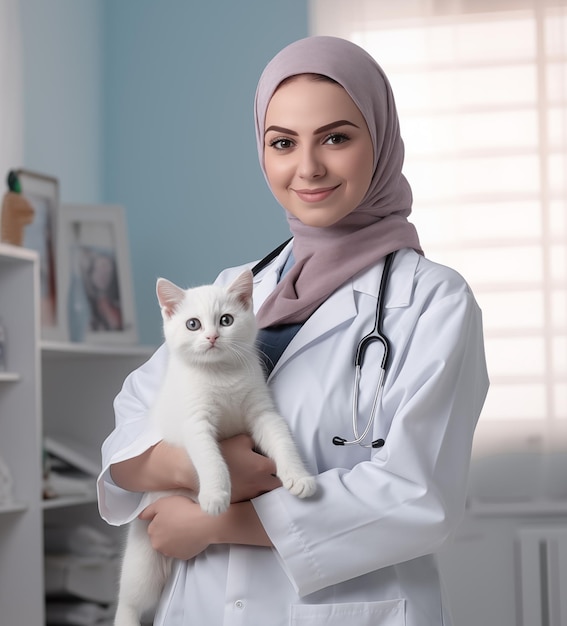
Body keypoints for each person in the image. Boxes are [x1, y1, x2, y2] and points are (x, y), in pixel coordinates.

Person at [97, 36, 489, 626]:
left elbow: (417, 495)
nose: (307, 167)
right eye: (283, 143)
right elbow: (130, 428)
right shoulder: (234, 287)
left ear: (379, 142)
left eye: (336, 137)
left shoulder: (433, 300)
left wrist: (218, 520)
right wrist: (188, 468)